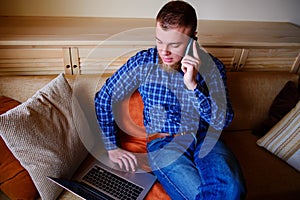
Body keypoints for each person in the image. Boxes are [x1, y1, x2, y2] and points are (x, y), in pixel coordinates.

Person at [95, 1, 246, 199]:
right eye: (159, 41)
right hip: (164, 143)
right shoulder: (144, 62)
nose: (164, 52)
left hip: (207, 139)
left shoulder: (212, 67)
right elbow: (104, 97)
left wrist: (193, 85)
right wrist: (111, 147)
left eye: (174, 45)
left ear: (193, 40)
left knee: (232, 189)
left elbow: (222, 121)